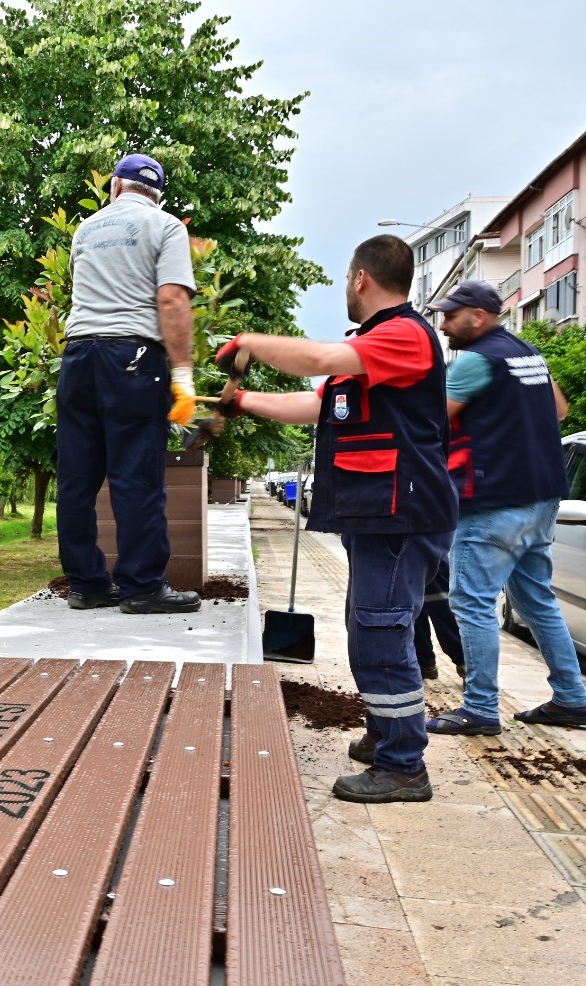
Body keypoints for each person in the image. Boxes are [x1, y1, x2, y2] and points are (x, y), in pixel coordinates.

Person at [214, 235, 456, 803]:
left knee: (382, 629)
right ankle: (386, 734)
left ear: (361, 279)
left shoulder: (403, 334)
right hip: (377, 512)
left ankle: (404, 765)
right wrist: (242, 401)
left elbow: (320, 359)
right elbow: (318, 406)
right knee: (369, 625)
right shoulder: (372, 348)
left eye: (347, 278)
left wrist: (250, 342)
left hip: (401, 511)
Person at [423, 280, 586, 734]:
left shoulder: (477, 360)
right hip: (542, 497)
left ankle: (480, 709)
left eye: (450, 315)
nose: (443, 325)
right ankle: (571, 699)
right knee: (536, 599)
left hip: (494, 500)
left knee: (471, 602)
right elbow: (558, 408)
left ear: (477, 316)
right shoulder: (528, 353)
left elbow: (433, 423)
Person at [56, 152, 201, 614]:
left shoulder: (86, 229)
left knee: (78, 477)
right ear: (157, 196)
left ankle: (87, 585)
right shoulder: (167, 227)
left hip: (79, 356)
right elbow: (173, 300)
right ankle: (140, 586)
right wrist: (181, 376)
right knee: (135, 474)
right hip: (134, 357)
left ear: (116, 187)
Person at [414, 556, 464, 680]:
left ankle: (467, 663)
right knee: (411, 605)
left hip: (429, 546)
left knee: (442, 603)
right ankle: (423, 661)